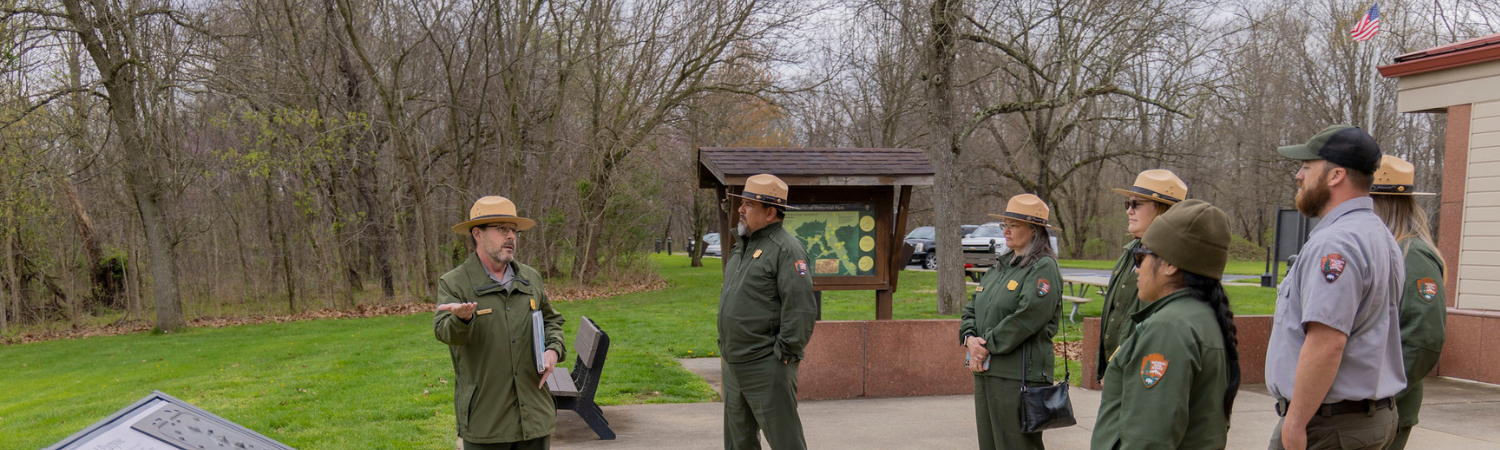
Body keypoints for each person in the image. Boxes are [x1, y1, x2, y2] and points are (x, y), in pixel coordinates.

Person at [1267, 125, 1407, 450]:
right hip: (1367, 419)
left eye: (1306, 167)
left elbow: (1327, 342)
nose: (1298, 176)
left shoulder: (1336, 243)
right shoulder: (1380, 235)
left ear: (1335, 175)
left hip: (1329, 426)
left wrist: (1295, 423)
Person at [1091, 199, 1241, 450]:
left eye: (1141, 256)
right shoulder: (1201, 316)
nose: (1137, 269)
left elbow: (1148, 440)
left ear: (1171, 265)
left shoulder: (1168, 328)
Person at [434, 196, 566, 450]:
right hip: (487, 420)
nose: (511, 237)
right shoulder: (455, 283)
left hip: (535, 415)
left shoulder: (530, 278)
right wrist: (462, 320)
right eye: (501, 229)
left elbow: (551, 321)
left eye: (513, 230)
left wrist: (553, 349)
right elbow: (444, 332)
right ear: (478, 234)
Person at [718, 173, 818, 450]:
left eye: (748, 204)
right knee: (739, 443)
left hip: (766, 365)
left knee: (785, 441)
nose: (740, 210)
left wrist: (784, 353)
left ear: (770, 212)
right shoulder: (744, 246)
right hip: (735, 362)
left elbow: (801, 308)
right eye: (743, 203)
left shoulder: (786, 249)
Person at [959, 193, 1064, 450]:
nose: (1006, 231)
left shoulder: (1042, 267)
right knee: (990, 443)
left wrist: (985, 347)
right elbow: (972, 307)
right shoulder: (1002, 266)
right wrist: (969, 339)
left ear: (1034, 230)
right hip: (987, 370)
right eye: (1004, 224)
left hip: (1019, 375)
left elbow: (1028, 317)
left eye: (1014, 225)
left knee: (1016, 444)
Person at [1370, 155, 1447, 450]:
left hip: (1388, 408)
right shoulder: (1387, 248)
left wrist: (1381, 394)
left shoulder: (1411, 254)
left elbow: (1424, 337)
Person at [1097, 169, 1188, 382]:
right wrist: (1106, 367)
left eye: (1136, 204)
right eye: (1127, 204)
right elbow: (1115, 314)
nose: (1129, 211)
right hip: (1118, 373)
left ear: (1163, 210)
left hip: (1145, 376)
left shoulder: (1172, 259)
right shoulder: (1130, 252)